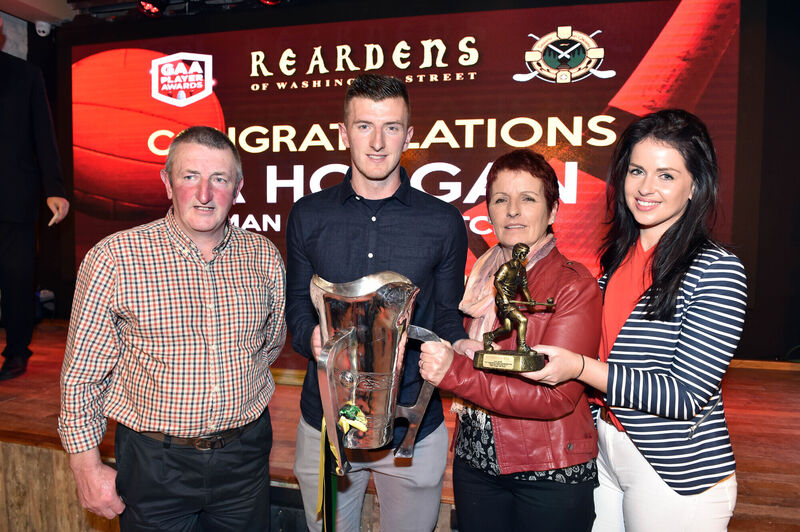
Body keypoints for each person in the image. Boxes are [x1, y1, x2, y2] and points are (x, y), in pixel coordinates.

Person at [525, 110, 746, 531]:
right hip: (607, 454)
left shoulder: (716, 268)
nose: (645, 188)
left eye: (666, 175)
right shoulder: (616, 263)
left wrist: (580, 368)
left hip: (674, 470)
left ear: (695, 185)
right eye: (637, 171)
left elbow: (686, 396)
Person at [58, 126, 286, 530]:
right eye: (189, 176)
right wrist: (85, 465)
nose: (204, 194)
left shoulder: (263, 257)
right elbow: (82, 374)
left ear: (237, 188)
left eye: (219, 179)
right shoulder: (115, 258)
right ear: (166, 182)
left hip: (245, 459)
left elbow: (268, 346)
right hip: (154, 464)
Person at [286, 73, 474, 532]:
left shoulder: (443, 221)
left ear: (409, 135)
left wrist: (459, 349)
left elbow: (447, 314)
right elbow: (295, 303)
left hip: (413, 427)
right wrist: (308, 334)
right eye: (364, 125)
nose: (376, 142)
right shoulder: (309, 214)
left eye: (391, 127)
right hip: (328, 424)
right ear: (343, 131)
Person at [419, 148, 603, 532]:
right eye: (501, 199)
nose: (513, 211)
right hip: (477, 461)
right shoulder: (482, 276)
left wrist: (455, 374)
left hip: (547, 469)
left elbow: (556, 397)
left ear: (552, 212)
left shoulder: (573, 283)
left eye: (528, 199)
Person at [0, 17, 70, 381]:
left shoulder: (24, 75)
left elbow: (44, 134)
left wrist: (55, 188)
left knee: (16, 278)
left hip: (14, 197)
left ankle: (16, 350)